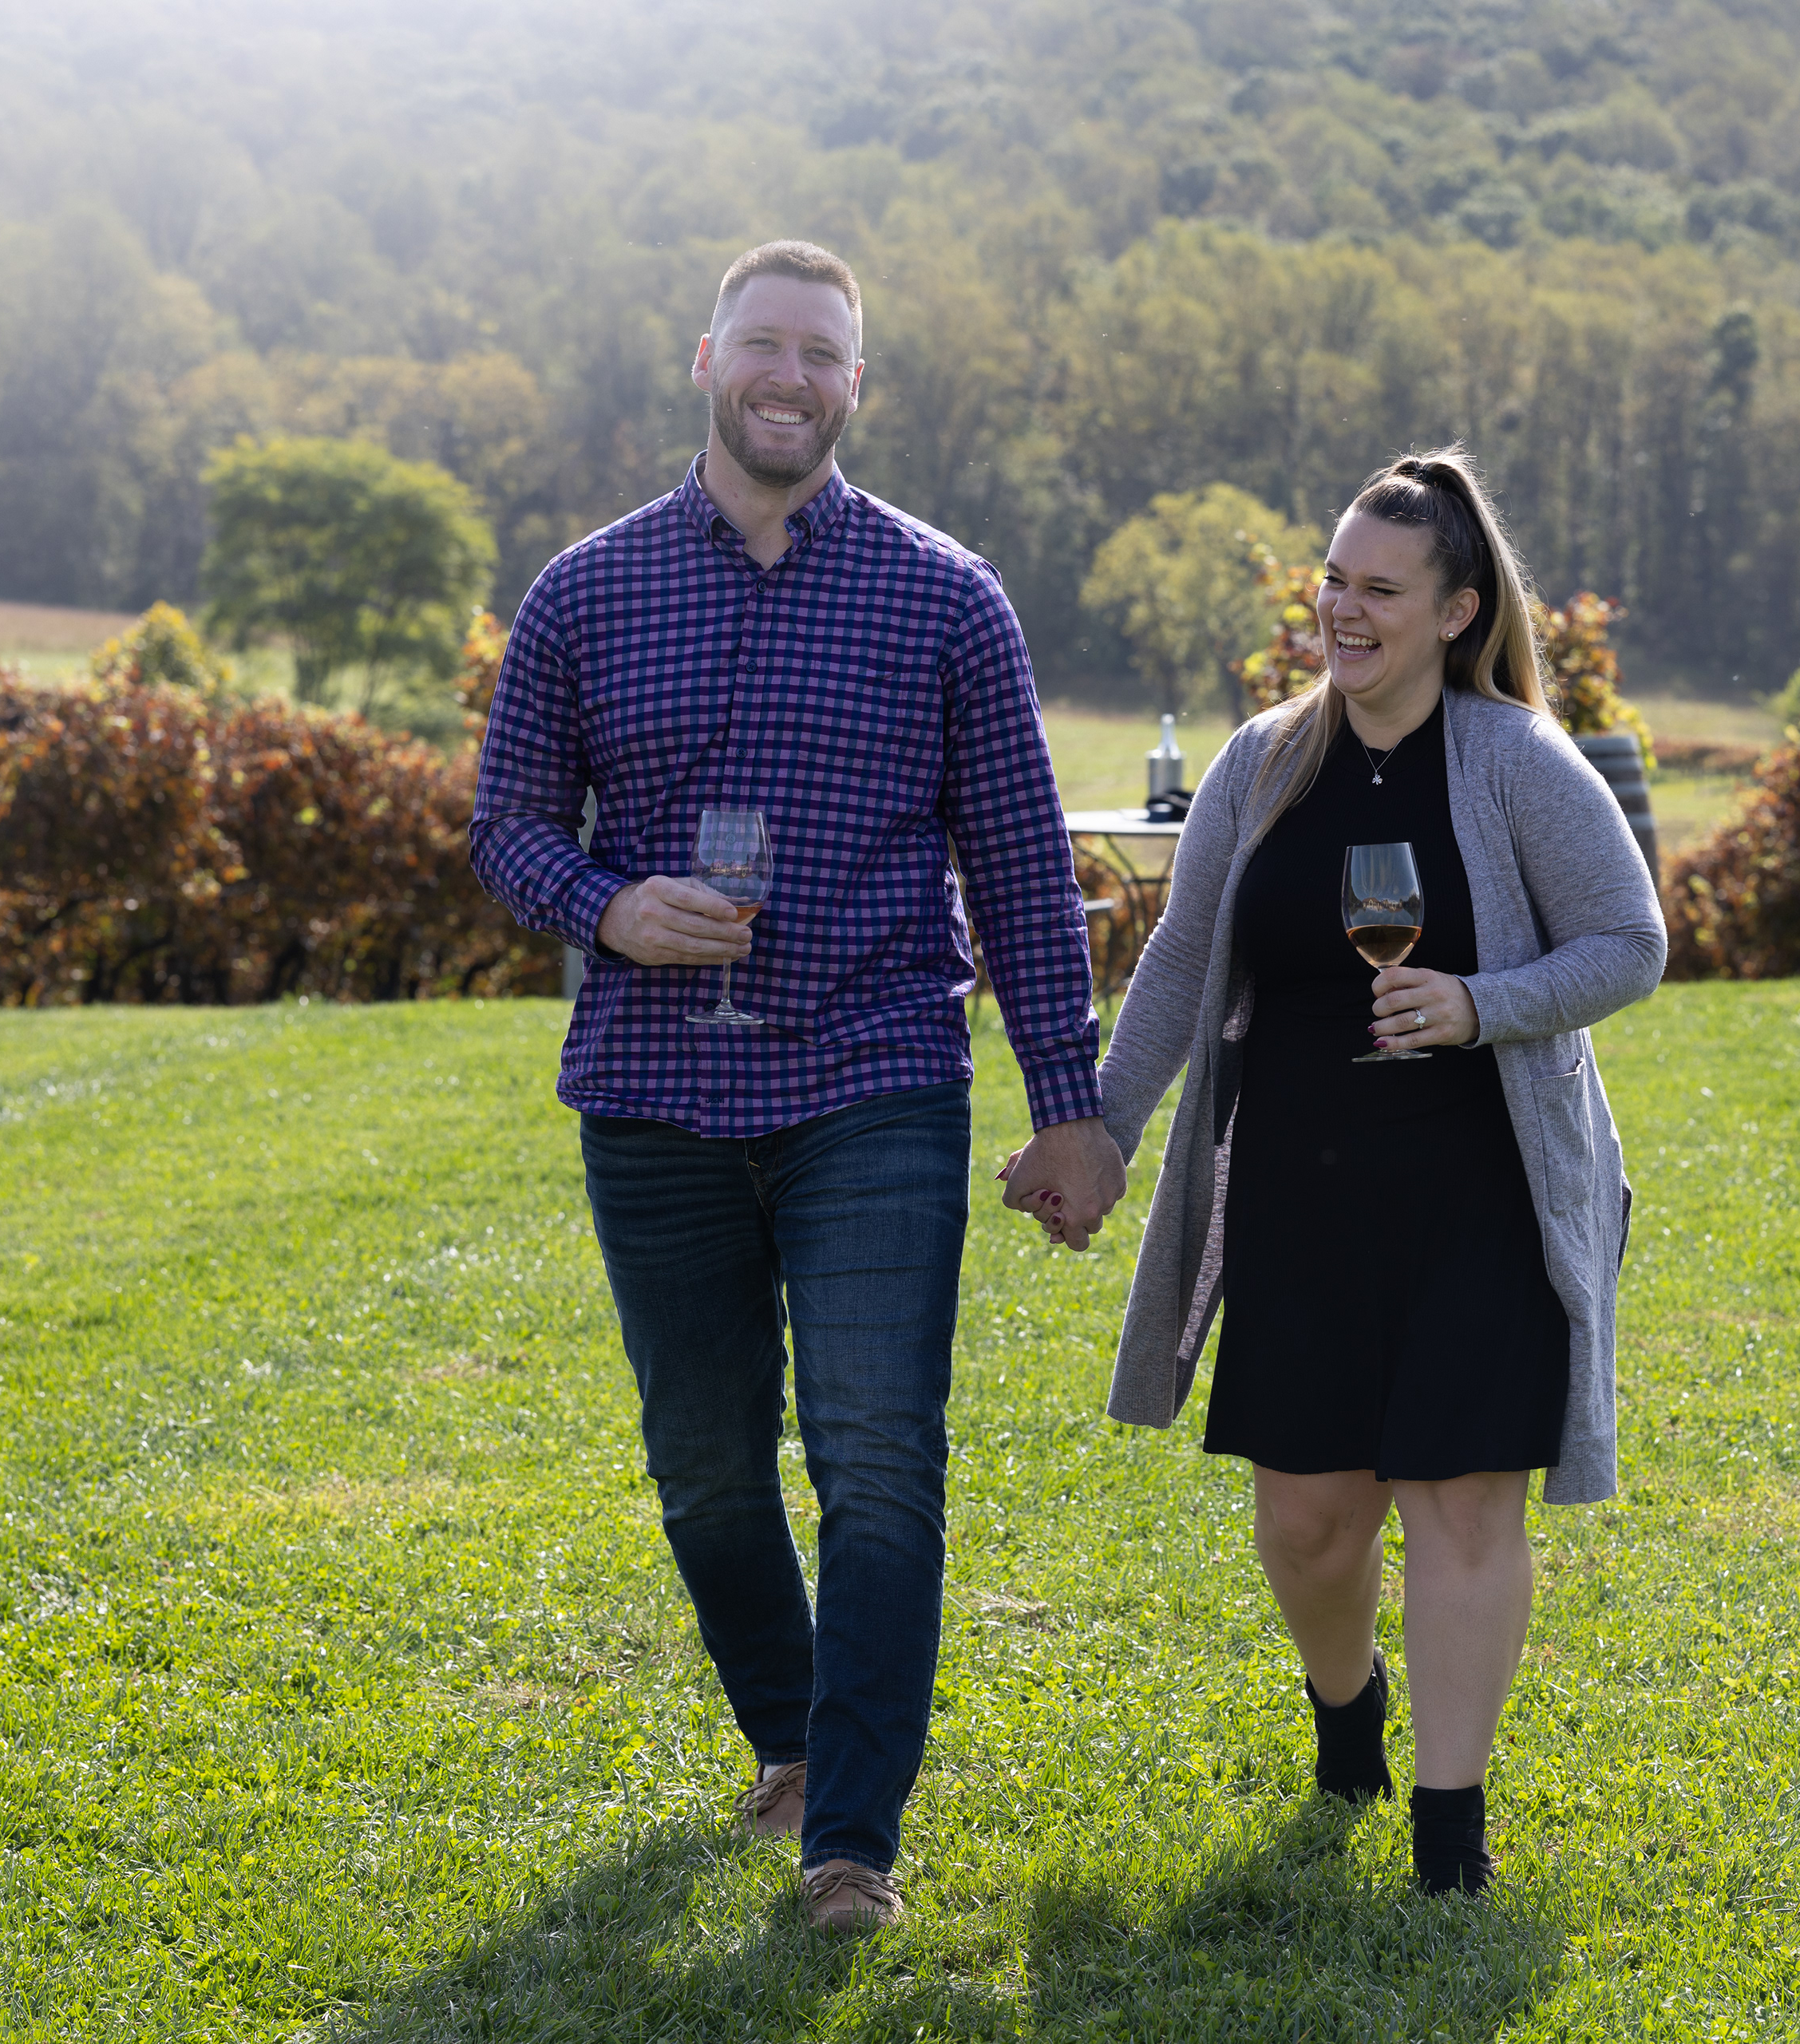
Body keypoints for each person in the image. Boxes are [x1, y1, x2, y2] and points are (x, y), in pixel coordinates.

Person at [469, 239, 1126, 1933]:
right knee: (702, 1463)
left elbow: (1021, 866)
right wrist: (608, 904)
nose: (790, 375)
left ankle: (852, 1842)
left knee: (878, 1456)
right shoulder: (586, 591)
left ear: (856, 385)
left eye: (822, 353)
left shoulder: (947, 597)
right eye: (764, 343)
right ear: (707, 361)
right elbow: (508, 824)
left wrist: (1069, 1101)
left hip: (874, 1076)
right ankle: (790, 1731)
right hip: (654, 1085)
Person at [1032, 448, 1663, 1895]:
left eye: (1381, 587)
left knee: (1462, 1502)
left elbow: (1630, 943)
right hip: (1301, 1193)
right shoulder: (1264, 760)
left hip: (1485, 1191)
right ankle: (1347, 1703)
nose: (1344, 609)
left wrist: (1480, 1004)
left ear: (1456, 609)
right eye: (1334, 580)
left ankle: (1450, 1833)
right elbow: (1179, 962)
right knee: (1308, 1522)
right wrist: (1102, 1128)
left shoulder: (1517, 758)